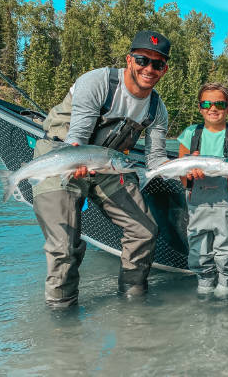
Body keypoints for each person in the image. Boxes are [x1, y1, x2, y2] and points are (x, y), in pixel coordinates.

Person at [33, 30, 171, 307]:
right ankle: (62, 317)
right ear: (129, 60)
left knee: (144, 231)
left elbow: (155, 160)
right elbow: (78, 138)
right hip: (62, 156)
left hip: (110, 165)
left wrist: (188, 167)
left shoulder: (157, 109)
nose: (149, 69)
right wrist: (77, 162)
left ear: (164, 69)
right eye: (143, 60)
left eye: (157, 64)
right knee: (64, 247)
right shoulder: (97, 81)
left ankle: (132, 300)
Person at [176, 83, 228, 298]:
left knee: (227, 244)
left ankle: (226, 282)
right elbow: (181, 173)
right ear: (200, 108)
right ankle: (204, 279)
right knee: (197, 243)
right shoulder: (189, 134)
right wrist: (188, 175)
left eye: (219, 103)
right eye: (206, 103)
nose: (213, 108)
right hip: (197, 203)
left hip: (227, 205)